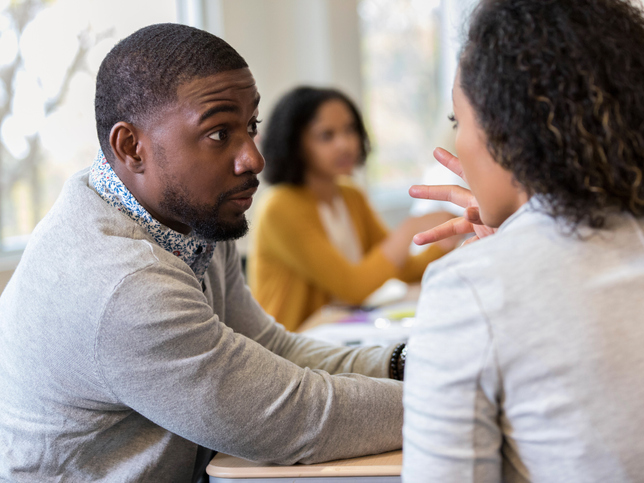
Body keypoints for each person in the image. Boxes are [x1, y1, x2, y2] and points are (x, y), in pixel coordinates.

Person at [0, 24, 406, 483]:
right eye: (218, 134)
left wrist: (403, 362)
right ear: (130, 147)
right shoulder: (121, 284)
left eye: (250, 126)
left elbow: (270, 351)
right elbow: (294, 417)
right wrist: (459, 393)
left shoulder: (190, 219)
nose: (253, 158)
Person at [402, 0, 644, 482]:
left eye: (458, 123)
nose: (458, 147)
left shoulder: (470, 291)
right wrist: (514, 242)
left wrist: (501, 265)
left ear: (504, 132)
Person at [248, 86, 456, 331]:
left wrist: (449, 240)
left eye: (350, 130)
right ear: (294, 143)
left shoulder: (350, 195)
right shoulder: (279, 207)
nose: (345, 144)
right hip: (291, 347)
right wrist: (412, 227)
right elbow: (354, 289)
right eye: (327, 135)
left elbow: (397, 269)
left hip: (338, 333)